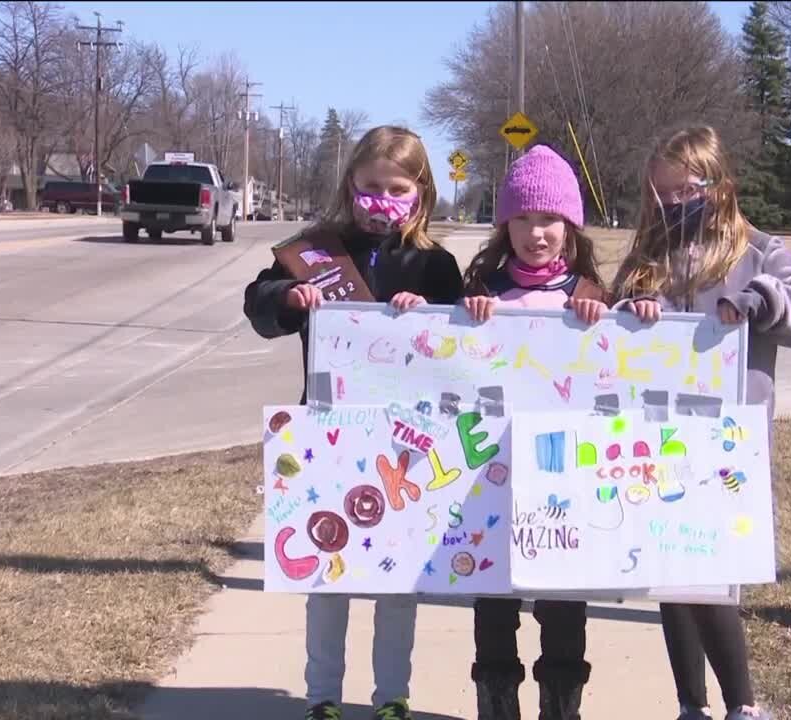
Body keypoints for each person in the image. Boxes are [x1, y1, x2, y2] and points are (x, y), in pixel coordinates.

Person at [611, 125, 791, 720]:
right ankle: (691, 705)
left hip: (728, 451)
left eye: (686, 190)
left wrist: (765, 301)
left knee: (711, 581)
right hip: (654, 444)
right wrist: (629, 310)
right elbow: (609, 339)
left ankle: (742, 706)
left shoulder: (759, 252)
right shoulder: (648, 255)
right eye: (662, 193)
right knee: (669, 580)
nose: (673, 204)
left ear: (719, 186)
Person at [243, 125, 464, 720]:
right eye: (370, 186)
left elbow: (463, 344)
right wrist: (288, 296)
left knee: (397, 583)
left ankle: (391, 695)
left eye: (397, 188)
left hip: (407, 444)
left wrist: (434, 314)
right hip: (330, 434)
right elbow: (258, 305)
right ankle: (323, 697)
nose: (381, 199)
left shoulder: (435, 264)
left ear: (420, 192)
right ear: (351, 185)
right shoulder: (315, 251)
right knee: (327, 575)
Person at [461, 145, 608, 720]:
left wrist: (626, 316)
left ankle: (560, 704)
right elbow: (448, 365)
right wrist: (462, 315)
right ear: (505, 225)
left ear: (569, 225)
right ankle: (496, 702)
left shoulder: (591, 294)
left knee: (564, 600)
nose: (535, 232)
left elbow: (625, 370)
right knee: (494, 599)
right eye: (521, 218)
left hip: (565, 478)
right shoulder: (485, 291)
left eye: (548, 219)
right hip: (489, 474)